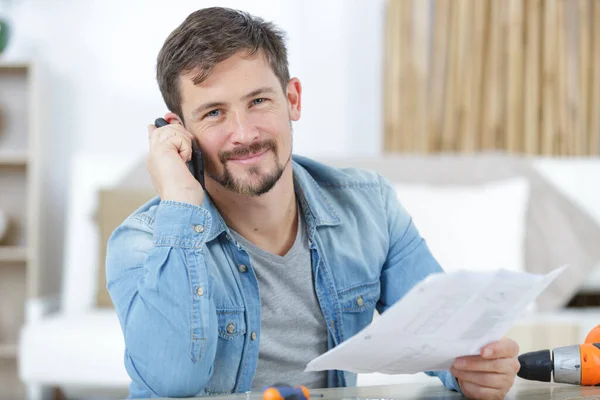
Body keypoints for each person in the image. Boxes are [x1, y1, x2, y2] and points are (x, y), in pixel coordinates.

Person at [106, 6, 521, 400]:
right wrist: (181, 199)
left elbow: (449, 343)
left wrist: (476, 369)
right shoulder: (140, 244)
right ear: (178, 132)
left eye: (258, 101)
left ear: (293, 100)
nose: (244, 133)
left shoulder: (370, 206)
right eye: (214, 113)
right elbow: (172, 383)